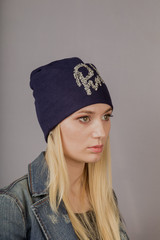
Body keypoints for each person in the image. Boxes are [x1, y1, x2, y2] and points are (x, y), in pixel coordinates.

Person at [0, 57, 129, 240]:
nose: (101, 132)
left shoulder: (104, 197)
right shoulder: (14, 205)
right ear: (54, 126)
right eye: (85, 118)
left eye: (106, 117)